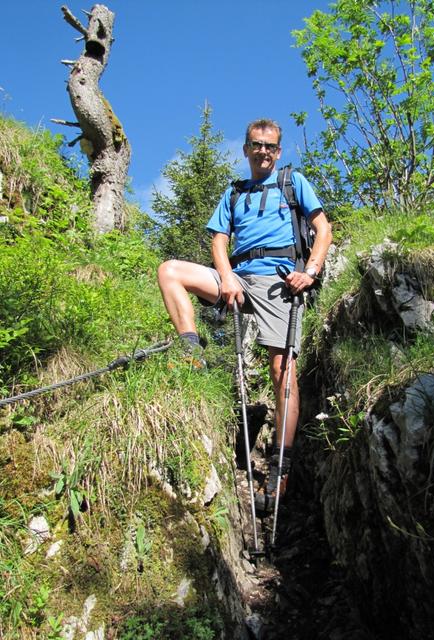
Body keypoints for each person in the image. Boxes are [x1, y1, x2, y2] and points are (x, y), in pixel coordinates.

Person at [157, 118, 332, 511]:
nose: (263, 151)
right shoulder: (234, 193)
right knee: (170, 271)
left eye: (270, 146)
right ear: (246, 149)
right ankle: (191, 353)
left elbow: (323, 229)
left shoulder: (293, 182)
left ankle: (279, 468)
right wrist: (226, 277)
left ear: (279, 151)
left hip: (280, 279)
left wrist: (311, 271)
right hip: (236, 275)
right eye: (257, 144)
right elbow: (219, 240)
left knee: (282, 370)